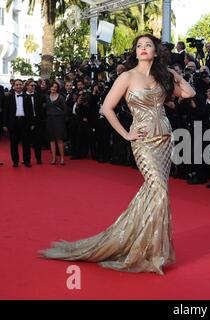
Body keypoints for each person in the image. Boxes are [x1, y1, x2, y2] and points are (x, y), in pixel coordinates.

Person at [40, 34, 196, 274]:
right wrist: (125, 134)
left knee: (153, 193)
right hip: (142, 140)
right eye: (139, 46)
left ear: (156, 52)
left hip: (164, 138)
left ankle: (148, 248)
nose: (143, 49)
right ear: (135, 52)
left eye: (148, 46)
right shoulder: (126, 76)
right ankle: (145, 249)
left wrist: (175, 74)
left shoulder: (163, 76)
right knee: (159, 190)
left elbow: (189, 94)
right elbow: (106, 108)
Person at [2, 79, 33, 168]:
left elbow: (30, 111)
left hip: (25, 122)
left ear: (22, 86)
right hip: (13, 122)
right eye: (17, 85)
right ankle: (15, 162)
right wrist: (4, 124)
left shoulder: (27, 97)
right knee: (13, 144)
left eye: (20, 84)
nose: (19, 86)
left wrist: (31, 123)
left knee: (26, 143)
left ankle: (27, 161)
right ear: (14, 86)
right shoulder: (8, 97)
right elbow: (6, 112)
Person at [45, 82, 67, 165]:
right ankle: (53, 158)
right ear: (50, 88)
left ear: (57, 88)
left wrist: (62, 118)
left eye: (55, 87)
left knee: (59, 139)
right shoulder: (46, 97)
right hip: (50, 119)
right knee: (52, 140)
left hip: (59, 119)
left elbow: (65, 110)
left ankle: (62, 158)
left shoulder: (60, 97)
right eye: (52, 87)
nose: (54, 88)